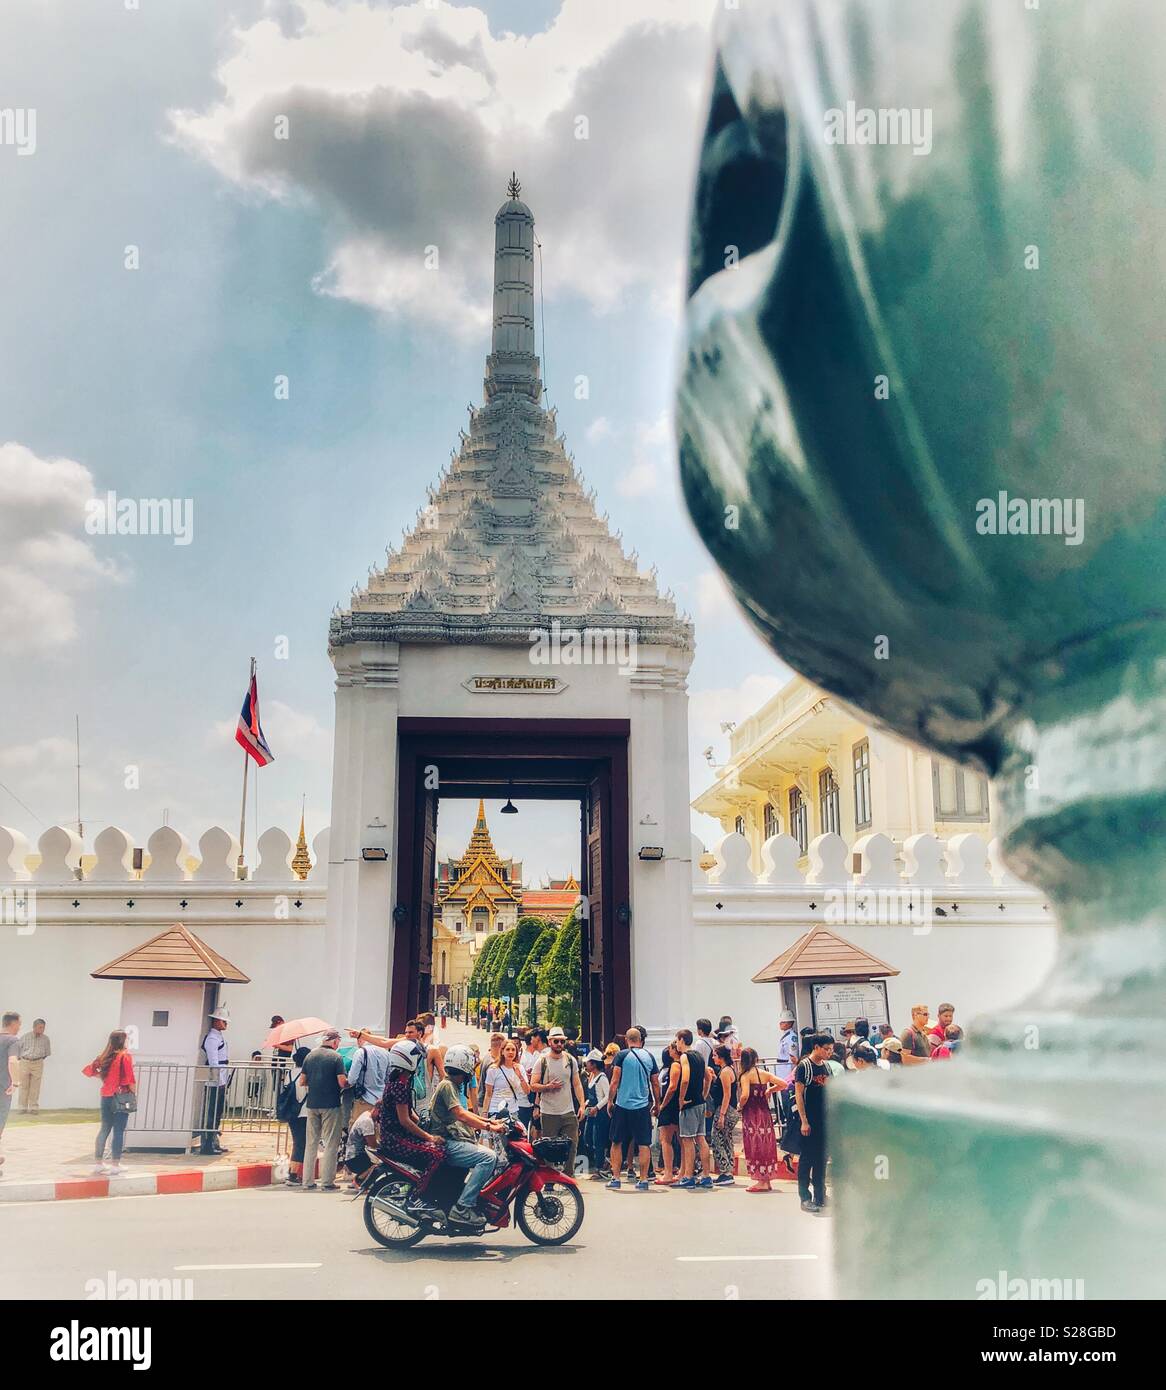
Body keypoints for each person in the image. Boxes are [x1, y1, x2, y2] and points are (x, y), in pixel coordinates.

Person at [429, 1045, 507, 1229]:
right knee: (488, 1158)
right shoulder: (447, 1086)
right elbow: (461, 1115)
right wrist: (490, 1127)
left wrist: (490, 1121)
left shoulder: (450, 1085)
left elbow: (465, 1112)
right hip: (446, 1143)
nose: (470, 1075)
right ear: (464, 1069)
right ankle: (463, 1207)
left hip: (450, 1140)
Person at [377, 1040, 447, 1216]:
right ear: (407, 1059)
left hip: (396, 1136)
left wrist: (426, 1124)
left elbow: (411, 1115)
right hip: (395, 1139)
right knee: (437, 1153)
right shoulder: (400, 1084)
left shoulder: (401, 1080)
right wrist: (429, 1138)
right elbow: (405, 1121)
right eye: (416, 1058)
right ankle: (419, 1197)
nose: (419, 1062)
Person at [606, 1026, 660, 1191]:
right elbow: (655, 1083)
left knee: (616, 1142)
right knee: (644, 1143)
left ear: (626, 1040)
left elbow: (615, 1081)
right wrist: (657, 1103)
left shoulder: (621, 1056)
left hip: (622, 1104)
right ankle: (643, 1179)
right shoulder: (649, 1057)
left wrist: (610, 1100)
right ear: (640, 1040)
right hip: (642, 1106)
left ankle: (615, 1177)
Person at [528, 1026, 585, 1174]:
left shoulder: (570, 1060)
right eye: (556, 1041)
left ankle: (568, 1176)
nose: (559, 1044)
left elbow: (577, 1084)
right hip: (549, 1111)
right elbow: (533, 1086)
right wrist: (548, 1087)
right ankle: (549, 1178)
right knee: (549, 1146)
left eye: (561, 1041)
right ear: (549, 1041)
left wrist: (582, 1105)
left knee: (572, 1144)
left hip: (568, 1109)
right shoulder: (542, 1061)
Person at [82, 1030, 137, 1176]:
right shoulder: (124, 1056)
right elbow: (130, 1080)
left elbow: (90, 1071)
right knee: (118, 1130)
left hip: (106, 1095)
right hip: (120, 1096)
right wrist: (134, 1093)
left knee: (104, 1129)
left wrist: (104, 1078)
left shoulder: (103, 1057)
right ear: (123, 1041)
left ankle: (99, 1163)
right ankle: (115, 1164)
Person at [300, 1029, 349, 1190]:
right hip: (331, 1104)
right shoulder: (336, 1057)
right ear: (334, 1042)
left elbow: (302, 1081)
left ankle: (307, 1181)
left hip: (312, 1104)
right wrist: (349, 1083)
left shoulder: (310, 1056)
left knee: (311, 1143)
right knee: (330, 1144)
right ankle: (327, 1182)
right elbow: (342, 1082)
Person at [738, 1047, 785, 1193]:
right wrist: (770, 1090)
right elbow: (783, 1083)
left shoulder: (745, 1076)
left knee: (755, 1145)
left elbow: (745, 1095)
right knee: (766, 1145)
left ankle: (761, 1181)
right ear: (756, 1059)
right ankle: (766, 1179)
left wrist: (740, 1105)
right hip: (765, 1115)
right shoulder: (764, 1073)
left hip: (752, 1116)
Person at [794, 1033, 833, 1212]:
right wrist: (804, 1121)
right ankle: (805, 1197)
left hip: (825, 1122)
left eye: (831, 1049)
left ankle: (820, 1195)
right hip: (809, 1121)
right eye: (826, 1049)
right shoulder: (804, 1067)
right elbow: (799, 1095)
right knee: (807, 1160)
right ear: (816, 1047)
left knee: (821, 1159)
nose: (829, 1052)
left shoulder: (826, 1067)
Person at [675, 1029, 713, 1190]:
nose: (676, 1043)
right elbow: (708, 1077)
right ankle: (706, 1175)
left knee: (687, 1139)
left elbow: (685, 1079)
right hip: (699, 1101)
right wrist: (703, 1094)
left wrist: (681, 1099)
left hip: (690, 1102)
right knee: (701, 1138)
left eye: (677, 1040)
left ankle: (688, 1176)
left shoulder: (685, 1056)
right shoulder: (698, 1055)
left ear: (682, 1040)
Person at [200, 1004, 231, 1155]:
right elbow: (213, 1062)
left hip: (221, 1079)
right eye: (224, 1021)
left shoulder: (218, 1037)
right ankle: (207, 1145)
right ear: (217, 1021)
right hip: (215, 1080)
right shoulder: (212, 1038)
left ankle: (214, 1141)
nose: (226, 1024)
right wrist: (218, 1081)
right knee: (211, 1113)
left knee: (217, 1112)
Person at [708, 1043, 739, 1185]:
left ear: (721, 1057)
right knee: (726, 1140)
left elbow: (727, 1095)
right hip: (728, 1109)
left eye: (715, 1055)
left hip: (726, 1109)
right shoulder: (726, 1071)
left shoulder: (726, 1072)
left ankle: (725, 1170)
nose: (713, 1058)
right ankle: (728, 1170)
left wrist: (721, 1115)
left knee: (717, 1140)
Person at [346, 1029, 390, 1124]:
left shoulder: (360, 1052)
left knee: (359, 1131)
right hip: (381, 1100)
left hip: (364, 1099)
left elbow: (352, 1079)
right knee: (377, 1132)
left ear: (359, 1039)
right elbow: (388, 1079)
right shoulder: (386, 1053)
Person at [654, 1041, 681, 1185]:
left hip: (669, 1105)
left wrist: (661, 1104)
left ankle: (668, 1172)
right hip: (677, 1106)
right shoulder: (681, 1066)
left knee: (665, 1139)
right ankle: (681, 1170)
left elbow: (670, 1088)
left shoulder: (670, 1069)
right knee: (681, 1139)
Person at [581, 1049, 611, 1180]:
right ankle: (603, 1162)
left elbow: (608, 1096)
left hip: (600, 1114)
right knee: (588, 1138)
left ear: (594, 1064)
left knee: (598, 1141)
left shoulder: (602, 1078)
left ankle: (600, 1168)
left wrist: (597, 1108)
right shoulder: (592, 1077)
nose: (586, 1065)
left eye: (588, 1063)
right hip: (591, 1112)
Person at [482, 1038, 528, 1122]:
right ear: (502, 1052)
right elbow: (488, 1093)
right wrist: (484, 1113)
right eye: (508, 1049)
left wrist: (520, 1076)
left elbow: (527, 1091)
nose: (510, 1052)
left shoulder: (520, 1068)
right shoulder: (493, 1069)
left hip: (513, 1111)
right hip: (495, 1110)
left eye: (513, 1050)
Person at [283, 1045, 310, 1185]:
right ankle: (293, 1174)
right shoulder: (308, 1075)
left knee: (297, 1142)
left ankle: (294, 1171)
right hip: (305, 1112)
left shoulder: (289, 1073)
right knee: (301, 1143)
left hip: (292, 1112)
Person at [0, 1012, 23, 1173]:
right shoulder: (13, 1040)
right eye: (19, 1024)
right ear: (13, 1023)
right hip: (3, 1088)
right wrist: (15, 1082)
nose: (20, 1027)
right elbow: (13, 1061)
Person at [341, 1102, 381, 1190]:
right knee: (381, 1165)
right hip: (355, 1158)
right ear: (378, 1110)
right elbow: (373, 1144)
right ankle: (359, 1180)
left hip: (352, 1156)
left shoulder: (366, 1114)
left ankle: (362, 1179)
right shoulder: (367, 1121)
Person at [17, 1018, 50, 1114]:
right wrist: (23, 1060)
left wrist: (37, 1060)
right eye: (40, 1027)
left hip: (38, 1063)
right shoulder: (25, 1037)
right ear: (34, 1027)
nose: (42, 1030)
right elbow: (18, 1050)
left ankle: (33, 1108)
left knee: (35, 1087)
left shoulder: (45, 1039)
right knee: (23, 1086)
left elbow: (46, 1053)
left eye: (43, 1028)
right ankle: (22, 1108)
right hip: (25, 1062)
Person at [773, 1009, 798, 1084]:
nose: (780, 1023)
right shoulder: (785, 1035)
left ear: (790, 1023)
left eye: (783, 1022)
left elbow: (793, 1057)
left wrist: (791, 1074)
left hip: (787, 1071)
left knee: (787, 1093)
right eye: (781, 1021)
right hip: (782, 1069)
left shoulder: (792, 1037)